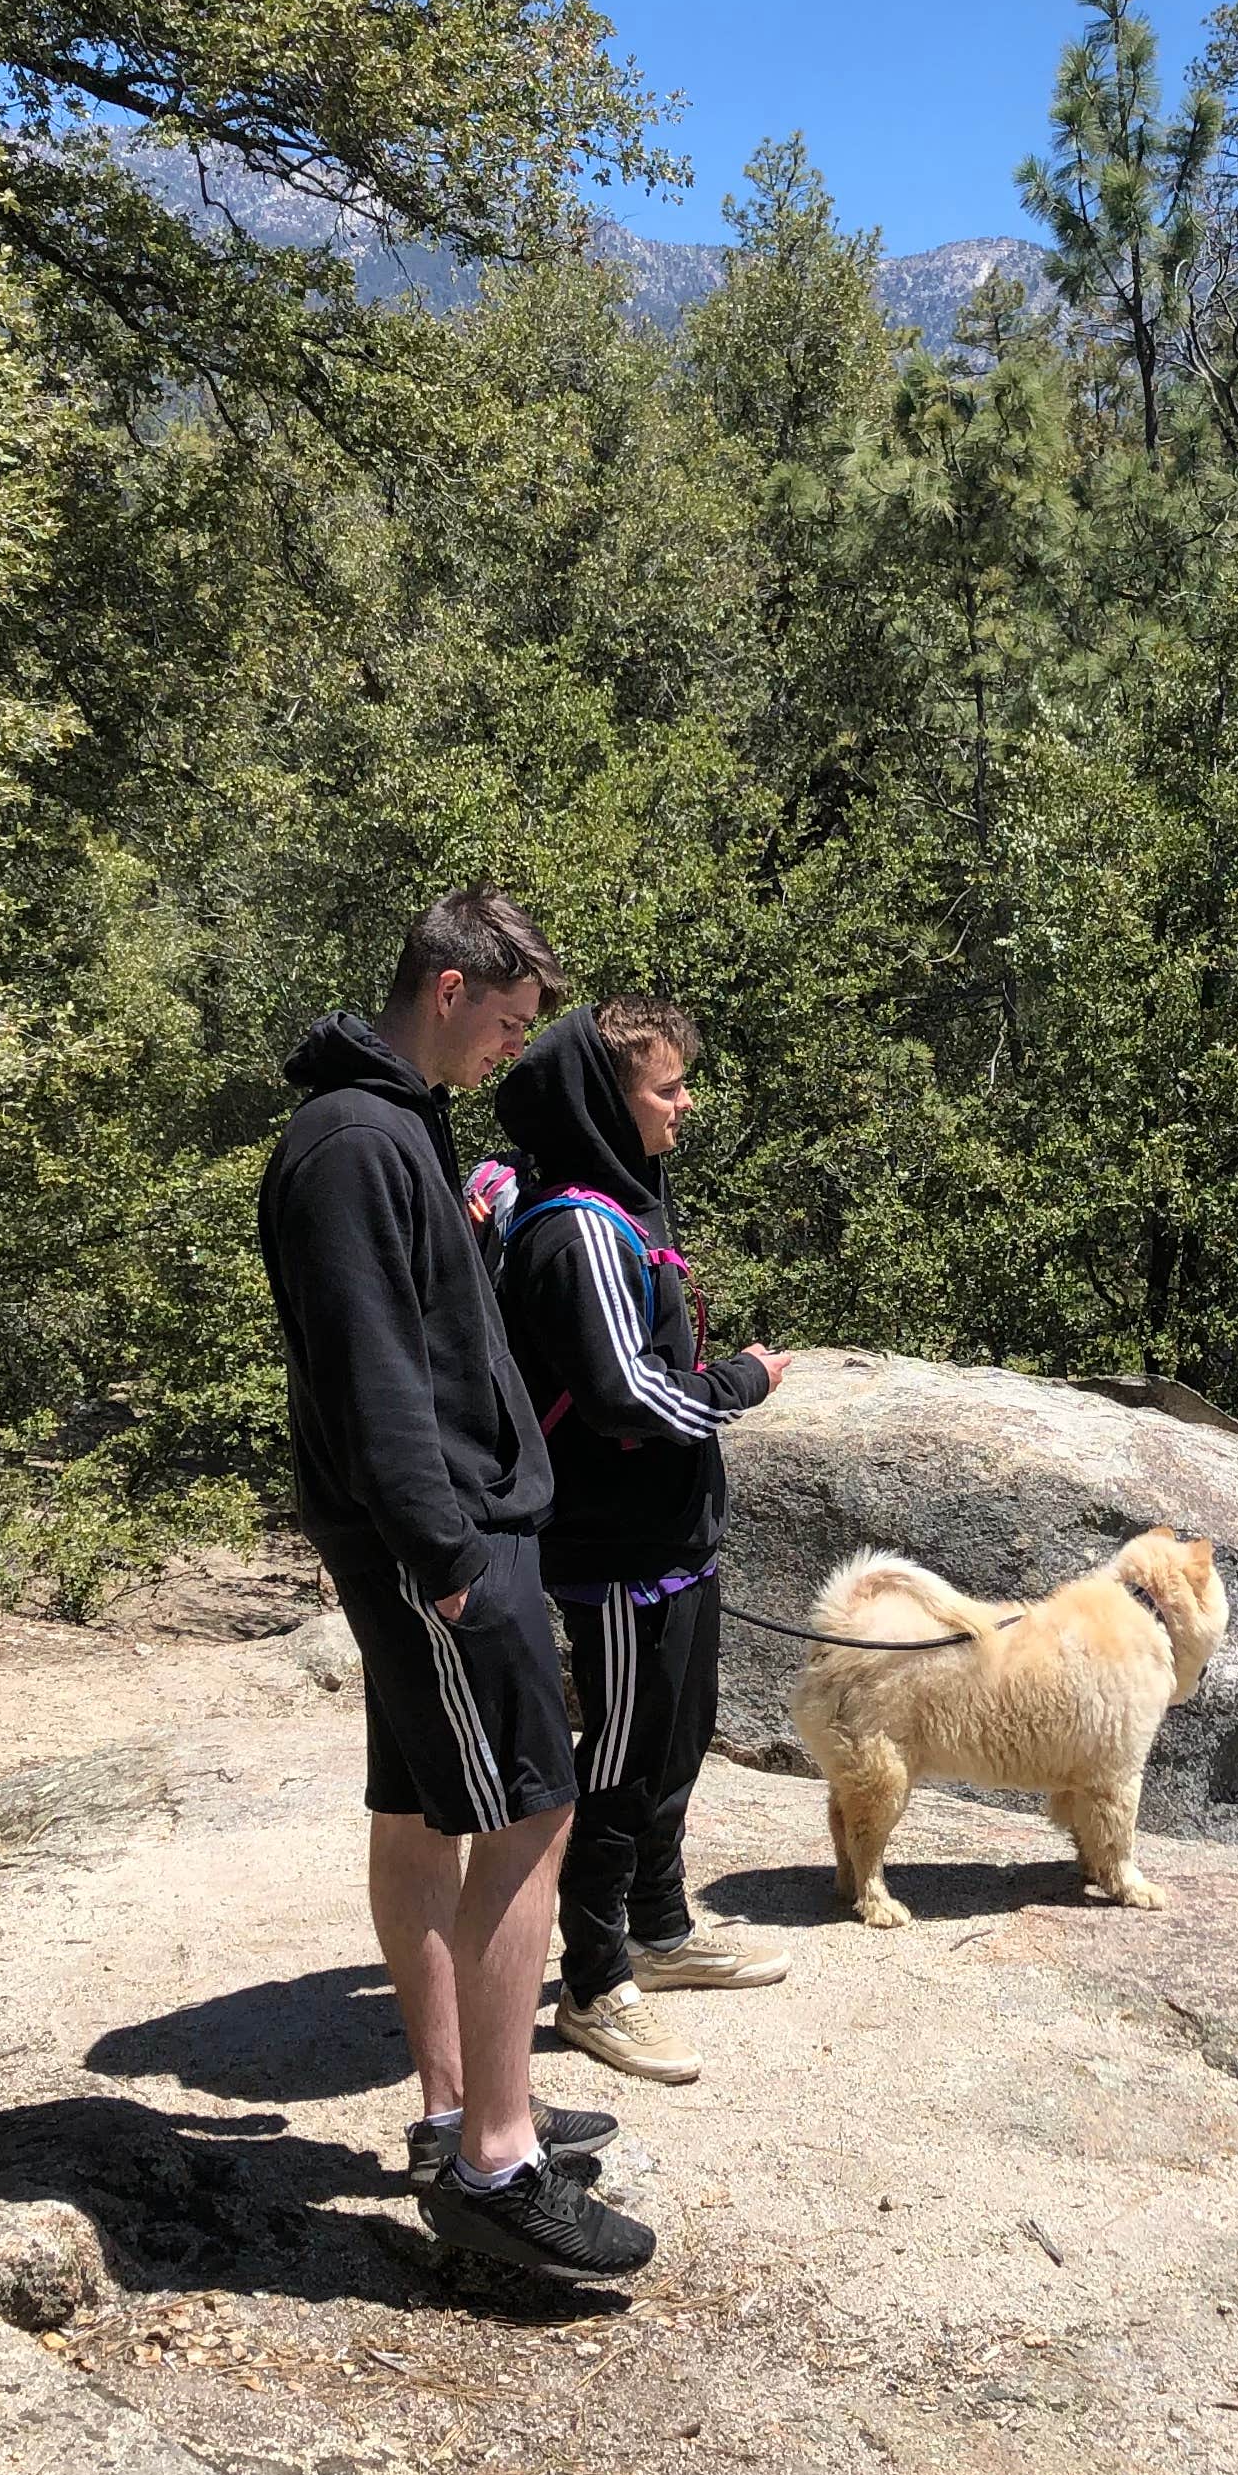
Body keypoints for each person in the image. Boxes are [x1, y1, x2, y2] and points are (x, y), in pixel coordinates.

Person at [255, 889, 658, 2289]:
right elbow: (372, 1372)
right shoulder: (354, 1141)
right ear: (446, 989)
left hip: (441, 1527)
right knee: (530, 1812)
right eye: (506, 1021)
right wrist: (445, 1562)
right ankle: (497, 2164)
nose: (511, 1049)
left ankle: (455, 2112)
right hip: (440, 1540)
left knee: (424, 1809)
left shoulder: (396, 1123)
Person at [491, 1001, 786, 2084]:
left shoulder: (626, 1204)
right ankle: (595, 1982)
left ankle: (659, 1931)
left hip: (670, 1536)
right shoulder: (577, 1229)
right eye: (667, 1087)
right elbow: (625, 1396)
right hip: (613, 1549)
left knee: (675, 1741)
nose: (685, 1104)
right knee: (617, 1762)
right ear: (604, 1105)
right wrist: (742, 1382)